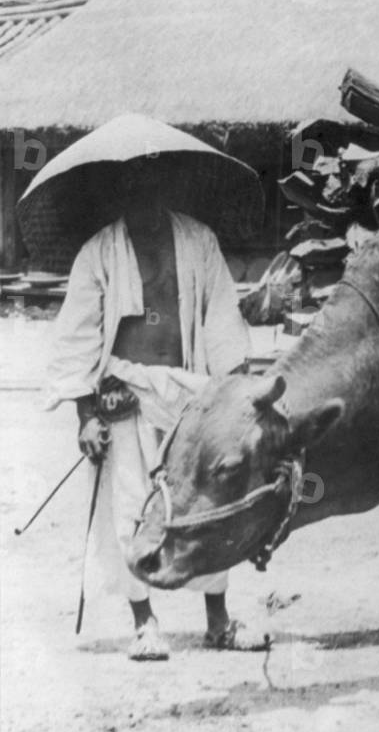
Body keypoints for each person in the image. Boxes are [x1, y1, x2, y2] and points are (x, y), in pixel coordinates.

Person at [47, 157, 268, 660]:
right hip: (124, 396)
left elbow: (221, 318)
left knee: (210, 500)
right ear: (118, 193)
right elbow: (79, 333)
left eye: (151, 184)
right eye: (130, 187)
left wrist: (232, 394)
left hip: (192, 392)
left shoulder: (198, 241)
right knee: (131, 505)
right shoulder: (99, 253)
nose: (141, 196)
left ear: (167, 186)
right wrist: (86, 413)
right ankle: (145, 623)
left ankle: (218, 619)